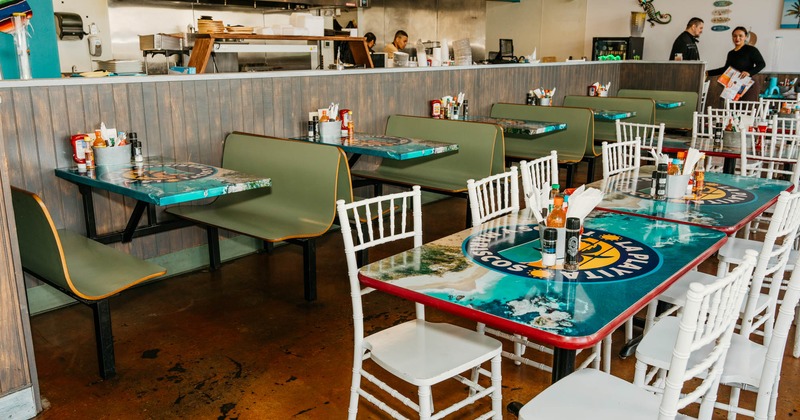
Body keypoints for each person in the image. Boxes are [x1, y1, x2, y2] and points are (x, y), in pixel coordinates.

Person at [707, 26, 766, 101]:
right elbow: (725, 69)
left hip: (748, 85)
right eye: (735, 36)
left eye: (740, 36)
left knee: (747, 107)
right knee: (732, 107)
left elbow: (761, 64)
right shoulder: (731, 53)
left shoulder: (751, 50)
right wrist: (708, 73)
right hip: (734, 85)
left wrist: (749, 73)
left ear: (745, 37)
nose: (737, 38)